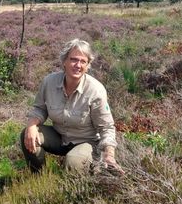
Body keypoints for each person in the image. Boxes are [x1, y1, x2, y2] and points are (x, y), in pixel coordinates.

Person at [20, 38, 123, 174]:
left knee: (73, 162)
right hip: (59, 136)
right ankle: (39, 177)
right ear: (64, 61)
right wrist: (32, 126)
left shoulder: (95, 90)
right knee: (27, 135)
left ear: (88, 66)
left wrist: (109, 156)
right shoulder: (49, 82)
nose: (78, 65)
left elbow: (106, 127)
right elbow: (40, 109)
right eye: (74, 59)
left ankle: (72, 187)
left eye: (83, 61)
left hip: (87, 142)